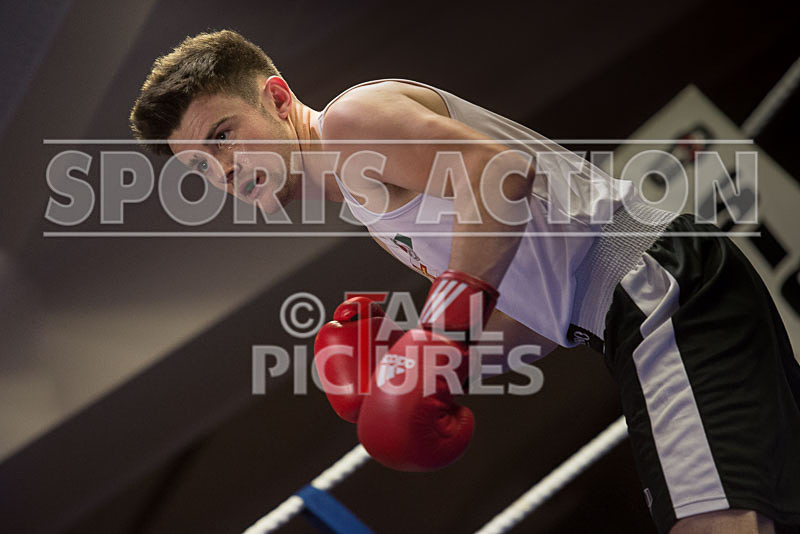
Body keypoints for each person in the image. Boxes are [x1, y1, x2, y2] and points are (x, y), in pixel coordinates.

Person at [130, 30, 800, 534]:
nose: (223, 170)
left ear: (276, 98)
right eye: (202, 167)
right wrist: (419, 373)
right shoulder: (374, 212)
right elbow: (536, 321)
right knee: (744, 518)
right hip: (628, 312)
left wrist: (439, 324)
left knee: (711, 525)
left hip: (655, 285)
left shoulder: (349, 124)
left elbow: (499, 173)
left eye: (223, 134)